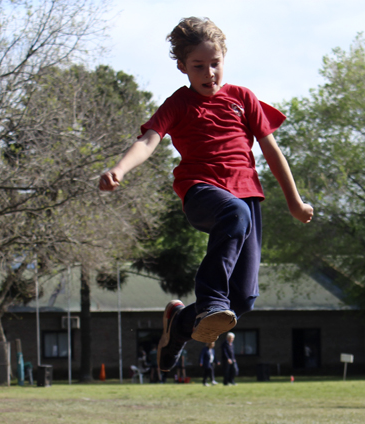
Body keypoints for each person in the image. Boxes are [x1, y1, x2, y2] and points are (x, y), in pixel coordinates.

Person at [99, 17, 313, 373]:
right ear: (182, 67)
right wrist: (119, 170)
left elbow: (272, 151)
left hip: (247, 198)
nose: (209, 73)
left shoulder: (243, 99)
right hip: (202, 191)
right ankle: (211, 299)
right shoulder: (179, 103)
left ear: (224, 59)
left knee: (243, 299)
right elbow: (148, 141)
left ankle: (179, 327)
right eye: (198, 66)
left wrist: (294, 201)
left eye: (215, 64)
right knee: (233, 220)